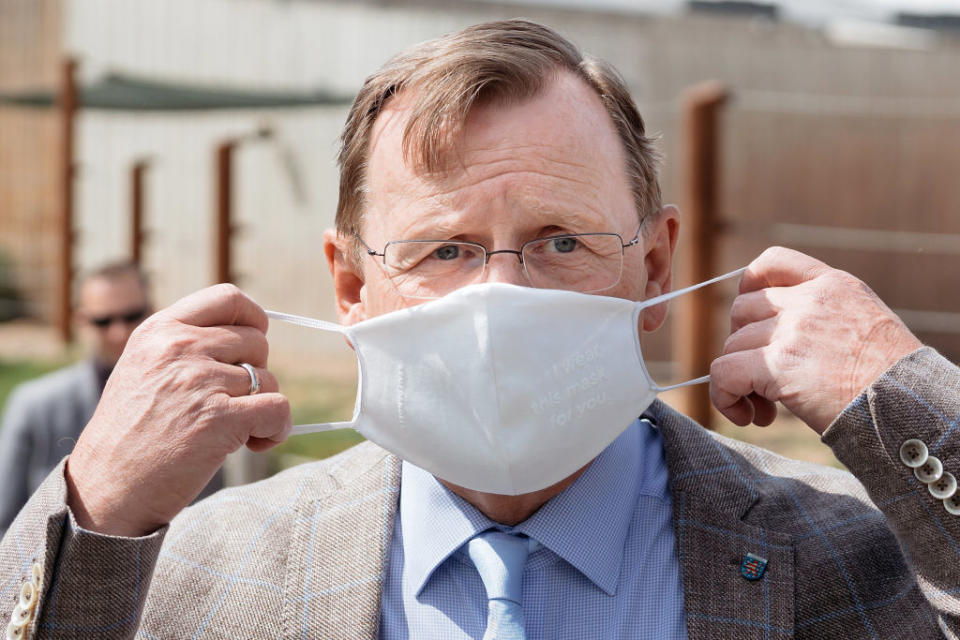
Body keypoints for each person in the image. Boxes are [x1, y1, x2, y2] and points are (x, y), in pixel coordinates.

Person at [1, 20, 958, 639]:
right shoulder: (205, 569)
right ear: (349, 284)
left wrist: (911, 404)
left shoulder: (864, 553)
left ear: (655, 269)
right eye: (445, 250)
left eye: (560, 240)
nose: (503, 299)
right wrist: (94, 508)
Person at [0, 262, 222, 540]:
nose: (120, 333)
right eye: (103, 321)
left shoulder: (195, 400)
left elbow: (217, 515)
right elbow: (5, 525)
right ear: (81, 322)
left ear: (153, 312)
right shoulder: (34, 406)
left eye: (132, 316)